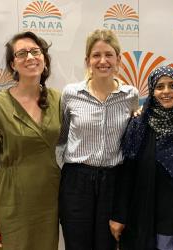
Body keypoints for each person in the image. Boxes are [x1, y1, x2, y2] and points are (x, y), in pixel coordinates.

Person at [0, 31, 61, 250]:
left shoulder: (57, 99)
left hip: (47, 201)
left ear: (44, 59)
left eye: (35, 51)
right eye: (22, 54)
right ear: (13, 64)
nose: (30, 57)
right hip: (9, 202)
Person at [110, 66, 173, 250]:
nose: (166, 91)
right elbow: (128, 173)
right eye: (160, 86)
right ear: (152, 91)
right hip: (148, 208)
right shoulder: (140, 124)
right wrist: (119, 214)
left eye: (172, 85)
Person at [58, 29, 139, 250]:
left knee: (107, 245)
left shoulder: (130, 95)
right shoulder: (71, 93)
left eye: (109, 55)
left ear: (118, 60)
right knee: (76, 244)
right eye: (96, 55)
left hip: (113, 181)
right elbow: (62, 136)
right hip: (77, 181)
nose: (102, 61)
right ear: (87, 61)